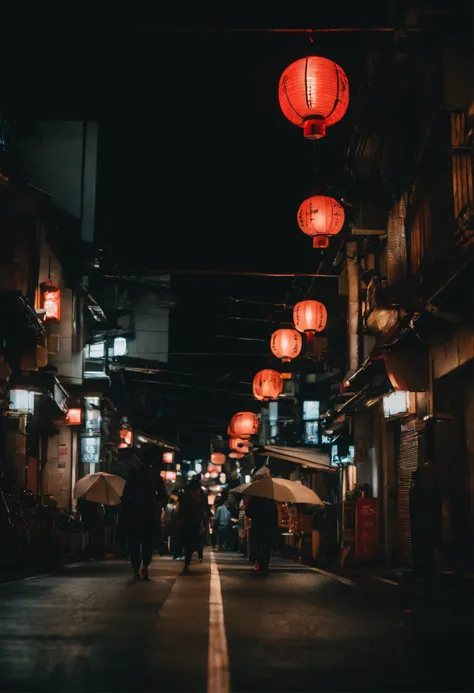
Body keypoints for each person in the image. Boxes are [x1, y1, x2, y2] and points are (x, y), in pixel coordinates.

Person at [120, 455, 167, 580]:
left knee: (134, 543)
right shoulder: (155, 476)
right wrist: (154, 502)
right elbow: (163, 495)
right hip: (149, 514)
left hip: (133, 514)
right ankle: (145, 566)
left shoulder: (133, 475)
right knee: (148, 543)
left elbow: (125, 496)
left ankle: (136, 569)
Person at [177, 477, 209, 574]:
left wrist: (205, 525)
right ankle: (187, 564)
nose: (196, 493)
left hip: (197, 524)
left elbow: (205, 510)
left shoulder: (203, 496)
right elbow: (180, 511)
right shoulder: (184, 496)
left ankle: (197, 555)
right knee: (187, 545)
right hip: (187, 524)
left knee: (195, 543)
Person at [245, 496, 278, 576]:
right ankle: (264, 566)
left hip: (257, 526)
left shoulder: (254, 500)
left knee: (256, 546)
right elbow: (275, 515)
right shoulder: (271, 502)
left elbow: (248, 512)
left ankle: (261, 562)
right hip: (268, 528)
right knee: (266, 547)